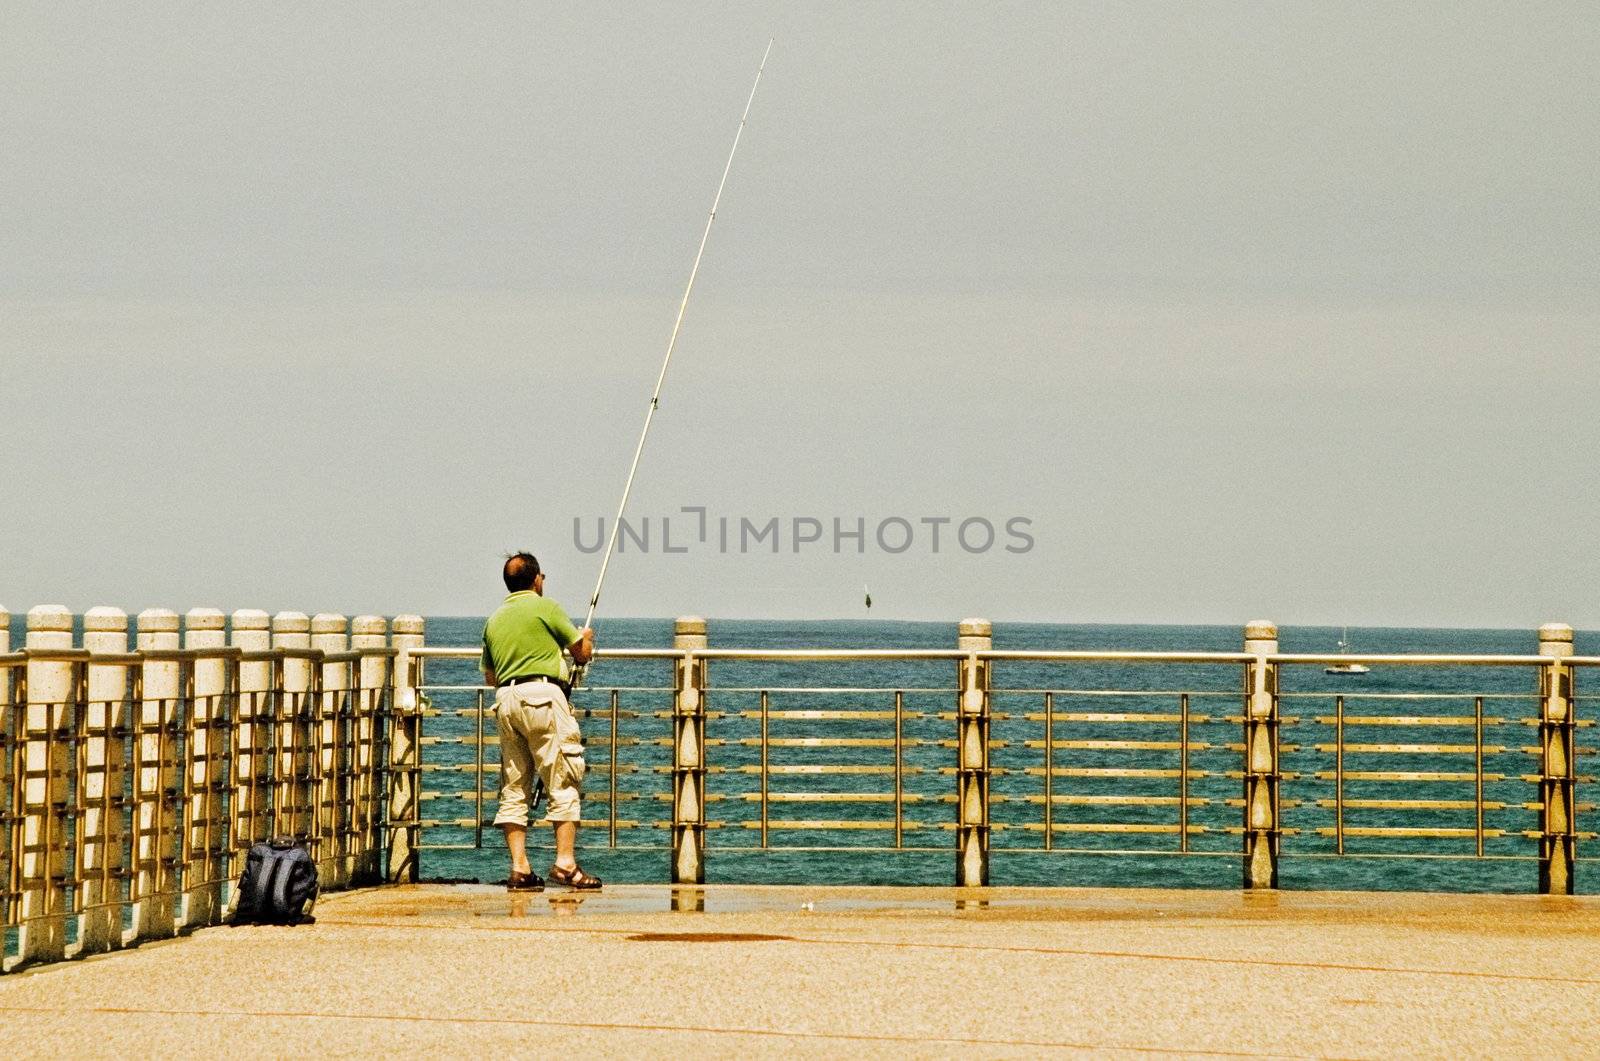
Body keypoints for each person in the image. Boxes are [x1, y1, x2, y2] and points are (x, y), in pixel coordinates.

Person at [480, 551, 601, 891]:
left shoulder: (494, 619)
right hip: (544, 697)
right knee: (562, 777)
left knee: (514, 785)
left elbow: (490, 675)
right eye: (542, 577)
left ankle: (520, 868)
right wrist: (586, 637)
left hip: (505, 701)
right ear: (536, 580)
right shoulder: (545, 607)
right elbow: (581, 653)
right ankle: (565, 864)